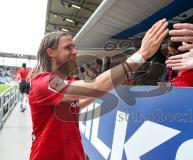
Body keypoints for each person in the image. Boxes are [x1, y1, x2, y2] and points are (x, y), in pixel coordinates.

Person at [27, 18, 168, 160]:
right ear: (51, 52)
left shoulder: (64, 82)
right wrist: (141, 55)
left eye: (74, 47)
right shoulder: (43, 83)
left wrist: (105, 88)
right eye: (68, 47)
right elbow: (96, 85)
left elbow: (75, 106)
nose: (75, 52)